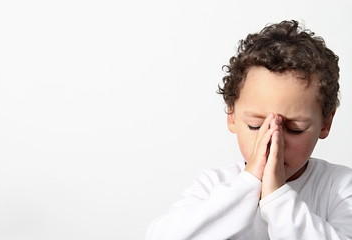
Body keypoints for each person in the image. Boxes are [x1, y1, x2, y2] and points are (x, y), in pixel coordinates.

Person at [145, 20, 352, 239]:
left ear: (325, 123)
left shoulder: (339, 187)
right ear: (231, 116)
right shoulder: (215, 185)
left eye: (294, 129)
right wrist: (248, 182)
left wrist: (277, 197)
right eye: (256, 125)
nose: (273, 142)